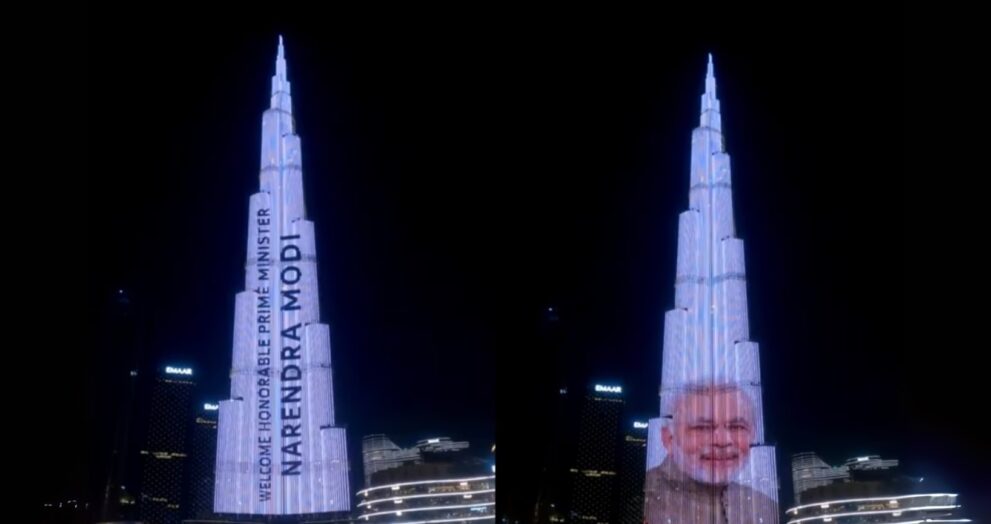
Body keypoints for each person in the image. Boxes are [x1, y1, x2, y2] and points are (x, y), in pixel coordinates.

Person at [644, 383, 777, 524]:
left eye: (737, 427)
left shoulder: (765, 507)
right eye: (702, 428)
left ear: (752, 435)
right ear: (669, 439)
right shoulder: (640, 499)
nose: (722, 441)